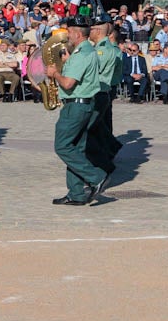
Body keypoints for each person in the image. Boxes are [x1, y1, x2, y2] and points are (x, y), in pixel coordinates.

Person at [44, 17, 112, 205]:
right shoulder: (85, 51)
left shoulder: (82, 54)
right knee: (76, 148)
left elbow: (67, 83)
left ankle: (97, 177)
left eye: (69, 32)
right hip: (84, 104)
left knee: (63, 146)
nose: (67, 36)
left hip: (76, 105)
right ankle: (76, 193)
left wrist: (54, 73)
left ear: (76, 33)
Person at [87, 14, 123, 176]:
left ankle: (107, 151)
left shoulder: (108, 50)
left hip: (104, 88)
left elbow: (97, 70)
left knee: (98, 123)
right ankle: (111, 145)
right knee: (101, 121)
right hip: (105, 88)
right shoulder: (103, 48)